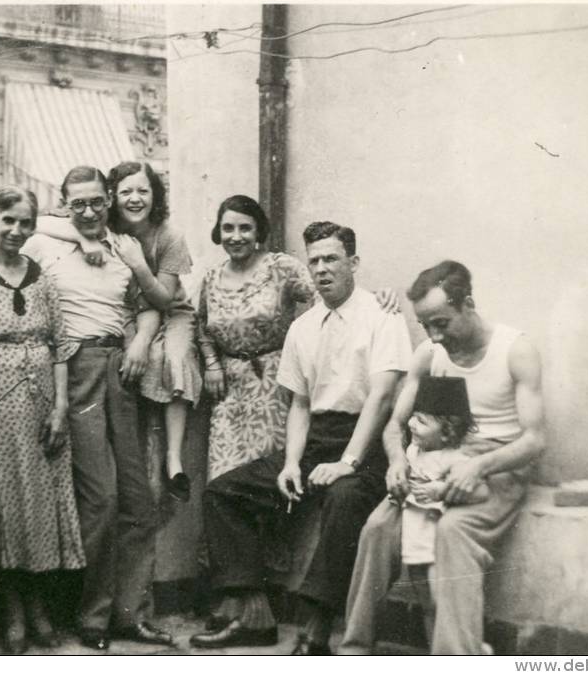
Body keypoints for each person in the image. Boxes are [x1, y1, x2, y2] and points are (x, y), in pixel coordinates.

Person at [190, 221, 413, 654]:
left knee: (345, 498)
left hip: (365, 444)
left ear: (354, 262)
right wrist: (292, 463)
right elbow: (301, 406)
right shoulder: (304, 326)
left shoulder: (382, 317)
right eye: (314, 260)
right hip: (315, 441)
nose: (322, 269)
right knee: (223, 492)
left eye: (331, 259)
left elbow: (382, 399)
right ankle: (255, 611)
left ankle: (316, 627)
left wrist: (347, 462)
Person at [340, 260, 546, 655]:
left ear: (467, 303)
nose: (434, 335)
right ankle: (354, 649)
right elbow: (393, 425)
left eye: (442, 322)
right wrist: (398, 460)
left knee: (453, 533)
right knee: (378, 529)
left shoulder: (514, 351)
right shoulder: (428, 354)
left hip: (496, 466)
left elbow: (535, 441)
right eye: (425, 325)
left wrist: (479, 465)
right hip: (431, 462)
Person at [20, 166, 173, 651]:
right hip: (74, 365)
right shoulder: (42, 246)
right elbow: (17, 241)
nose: (88, 211)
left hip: (121, 366)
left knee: (138, 498)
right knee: (99, 499)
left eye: (95, 202)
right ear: (63, 204)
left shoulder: (123, 247)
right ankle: (92, 615)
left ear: (108, 200)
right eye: (77, 203)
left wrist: (142, 342)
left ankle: (129, 614)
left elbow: (150, 303)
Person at [0, 186, 85, 654]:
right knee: (2, 508)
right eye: (6, 220)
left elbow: (60, 346)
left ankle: (39, 608)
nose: (15, 230)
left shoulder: (43, 278)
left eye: (24, 222)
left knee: (40, 507)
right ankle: (13, 612)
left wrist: (60, 408)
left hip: (41, 406)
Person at [37, 161, 201, 501]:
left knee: (172, 358)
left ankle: (172, 458)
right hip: (115, 325)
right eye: (127, 191)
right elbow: (40, 222)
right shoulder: (102, 224)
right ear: (114, 197)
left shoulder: (165, 236)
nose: (135, 199)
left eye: (144, 191)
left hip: (168, 307)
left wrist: (138, 263)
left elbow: (161, 300)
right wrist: (83, 240)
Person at [195, 195, 315, 481]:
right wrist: (212, 363)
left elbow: (321, 295)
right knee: (225, 477)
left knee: (269, 473)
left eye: (245, 228)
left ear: (258, 231)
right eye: (228, 229)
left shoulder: (280, 267)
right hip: (228, 389)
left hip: (274, 382)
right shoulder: (212, 278)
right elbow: (201, 325)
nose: (236, 237)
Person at [393, 375, 487, 644]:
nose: (411, 423)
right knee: (425, 603)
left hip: (435, 545)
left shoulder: (454, 459)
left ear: (447, 431)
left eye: (422, 421)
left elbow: (478, 491)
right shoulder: (412, 451)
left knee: (439, 601)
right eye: (413, 416)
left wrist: (441, 490)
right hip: (414, 543)